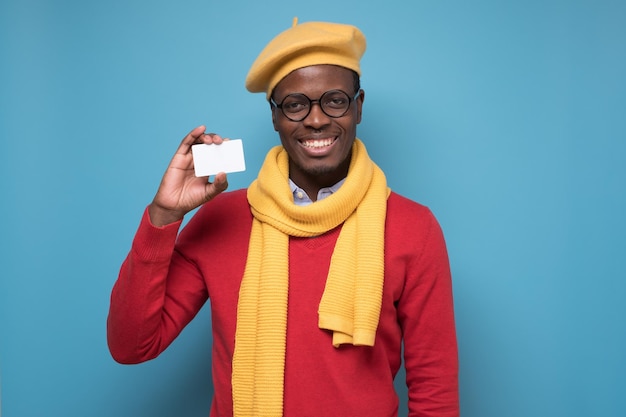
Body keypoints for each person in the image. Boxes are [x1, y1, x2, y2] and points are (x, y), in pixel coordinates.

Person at [107, 18, 459, 417]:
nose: (316, 119)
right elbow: (131, 346)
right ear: (274, 116)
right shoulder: (221, 217)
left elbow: (435, 391)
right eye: (295, 105)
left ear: (358, 107)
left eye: (335, 100)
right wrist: (164, 216)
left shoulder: (414, 228)